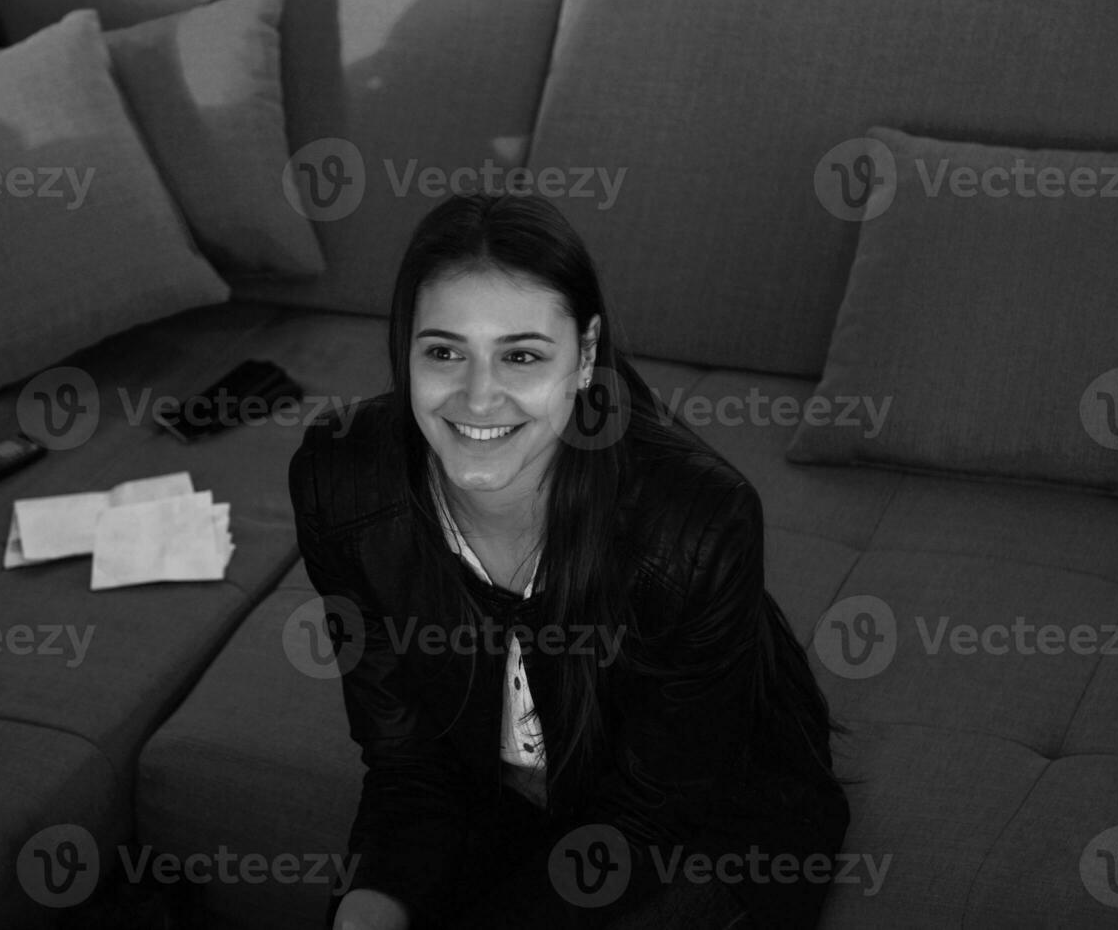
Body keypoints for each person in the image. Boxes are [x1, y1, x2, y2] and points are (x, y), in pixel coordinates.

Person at [287, 192, 850, 930]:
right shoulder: (342, 484)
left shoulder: (699, 523)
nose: (478, 397)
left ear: (584, 355)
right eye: (444, 351)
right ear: (407, 352)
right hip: (502, 799)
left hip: (699, 830)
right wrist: (365, 914)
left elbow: (653, 815)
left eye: (521, 355)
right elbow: (409, 768)